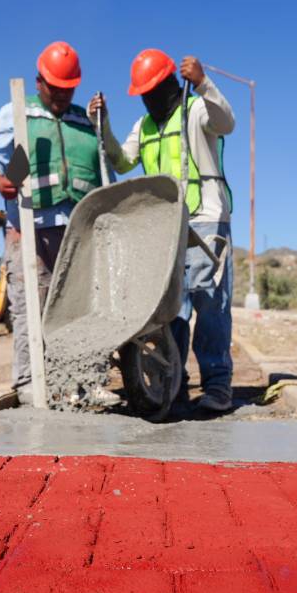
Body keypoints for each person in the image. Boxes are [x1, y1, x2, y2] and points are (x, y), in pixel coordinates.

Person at [89, 49, 236, 412]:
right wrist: (103, 124)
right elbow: (122, 162)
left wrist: (204, 83)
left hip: (206, 218)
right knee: (173, 308)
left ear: (171, 83)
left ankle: (217, 386)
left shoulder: (196, 110)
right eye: (144, 93)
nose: (150, 99)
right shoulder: (144, 126)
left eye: (155, 90)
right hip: (165, 226)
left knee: (211, 304)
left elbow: (227, 122)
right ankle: (176, 384)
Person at [0, 41, 105, 402]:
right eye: (56, 89)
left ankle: (84, 382)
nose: (63, 96)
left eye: (69, 89)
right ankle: (29, 383)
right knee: (32, 307)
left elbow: (104, 166)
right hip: (30, 227)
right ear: (39, 82)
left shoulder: (83, 120)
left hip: (79, 230)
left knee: (81, 311)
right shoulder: (17, 112)